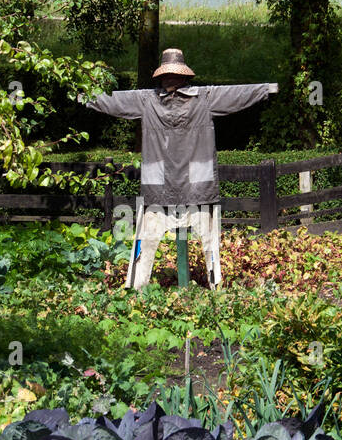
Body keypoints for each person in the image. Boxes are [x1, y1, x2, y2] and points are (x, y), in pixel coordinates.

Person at [86, 48, 276, 288]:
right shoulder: (159, 100)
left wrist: (263, 90)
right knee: (156, 245)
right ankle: (138, 289)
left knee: (209, 246)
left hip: (185, 189)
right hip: (177, 189)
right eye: (169, 76)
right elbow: (116, 100)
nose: (171, 81)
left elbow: (235, 94)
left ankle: (208, 287)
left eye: (173, 76)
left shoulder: (192, 99)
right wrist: (265, 90)